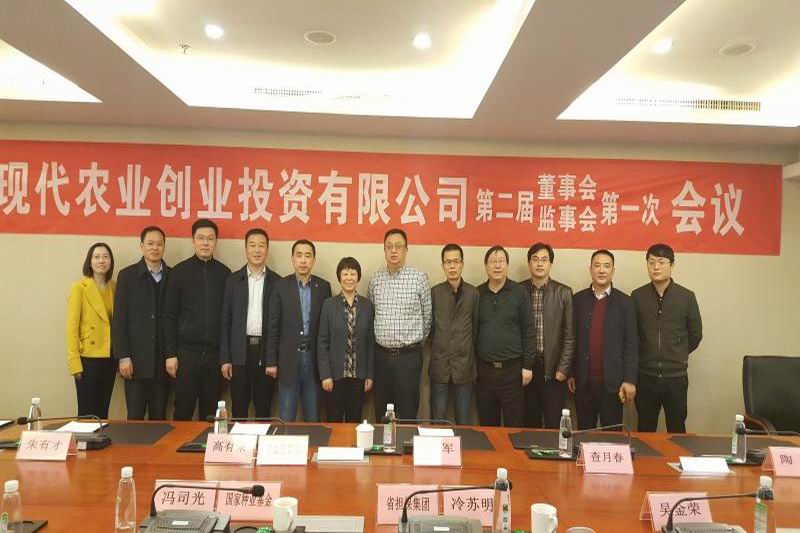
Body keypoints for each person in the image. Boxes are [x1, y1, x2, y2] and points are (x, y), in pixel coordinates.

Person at [163, 219, 230, 421]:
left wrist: (226, 356)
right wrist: (170, 354)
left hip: (214, 355)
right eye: (201, 238)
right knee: (183, 410)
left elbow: (228, 318)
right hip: (186, 354)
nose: (205, 243)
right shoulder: (179, 272)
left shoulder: (225, 274)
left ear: (216, 242)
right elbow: (169, 315)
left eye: (210, 239)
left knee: (211, 414)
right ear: (193, 241)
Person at [632, 243, 703, 433]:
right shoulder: (637, 296)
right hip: (645, 376)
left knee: (677, 428)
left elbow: (696, 334)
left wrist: (677, 351)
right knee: (645, 429)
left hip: (676, 377)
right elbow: (633, 335)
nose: (656, 267)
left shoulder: (686, 297)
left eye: (661, 262)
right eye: (651, 262)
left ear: (672, 265)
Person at [368, 228, 432, 421]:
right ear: (384, 250)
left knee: (408, 411)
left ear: (406, 250)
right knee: (382, 412)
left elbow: (427, 318)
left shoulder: (419, 278)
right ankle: (383, 442)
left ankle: (407, 442)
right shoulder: (375, 280)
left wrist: (413, 344)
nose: (393, 250)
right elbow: (372, 315)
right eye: (389, 247)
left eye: (398, 246)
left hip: (408, 357)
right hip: (381, 357)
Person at [570, 250, 638, 430]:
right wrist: (570, 373)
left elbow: (632, 344)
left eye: (606, 266)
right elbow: (571, 338)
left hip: (613, 385)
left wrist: (630, 379)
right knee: (584, 433)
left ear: (613, 271)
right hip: (583, 382)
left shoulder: (625, 302)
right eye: (597, 265)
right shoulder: (577, 300)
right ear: (590, 269)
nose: (601, 270)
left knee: (612, 435)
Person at [266, 240, 331, 422]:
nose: (303, 260)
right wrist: (271, 361)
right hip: (288, 361)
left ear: (314, 260)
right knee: (286, 418)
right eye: (299, 255)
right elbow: (273, 326)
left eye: (308, 256)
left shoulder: (323, 287)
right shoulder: (280, 286)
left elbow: (327, 329)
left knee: (313, 417)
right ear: (292, 259)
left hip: (314, 361)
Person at [220, 228, 280, 419]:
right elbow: (225, 322)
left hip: (265, 352)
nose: (257, 250)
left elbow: (278, 325)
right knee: (239, 408)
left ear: (267, 249)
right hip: (239, 352)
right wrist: (225, 359)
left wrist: (274, 359)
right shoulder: (233, 280)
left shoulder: (277, 282)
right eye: (252, 245)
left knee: (263, 408)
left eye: (261, 245)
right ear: (245, 249)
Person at [112, 226, 171, 420]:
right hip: (135, 362)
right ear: (141, 246)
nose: (155, 248)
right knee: (135, 417)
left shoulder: (172, 276)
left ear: (164, 247)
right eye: (150, 243)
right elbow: (120, 319)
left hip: (162, 363)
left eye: (159, 244)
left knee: (159, 417)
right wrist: (123, 356)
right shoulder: (127, 276)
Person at [475, 246, 534, 427]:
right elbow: (473, 331)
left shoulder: (519, 292)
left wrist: (528, 366)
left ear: (507, 265)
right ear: (486, 266)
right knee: (487, 425)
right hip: (484, 371)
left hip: (512, 371)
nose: (497, 265)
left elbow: (528, 330)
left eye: (501, 261)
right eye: (493, 261)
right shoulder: (477, 293)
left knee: (514, 426)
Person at [522, 242, 575, 429]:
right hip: (527, 368)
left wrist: (563, 368)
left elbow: (570, 335)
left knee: (554, 424)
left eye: (544, 259)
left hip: (553, 369)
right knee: (529, 423)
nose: (539, 263)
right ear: (529, 263)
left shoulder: (564, 293)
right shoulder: (519, 291)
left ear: (550, 264)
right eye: (535, 259)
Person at [317, 257, 375, 422]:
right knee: (334, 419)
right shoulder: (329, 305)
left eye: (353, 274)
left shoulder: (367, 305)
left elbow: (370, 343)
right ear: (339, 277)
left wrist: (369, 375)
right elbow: (322, 342)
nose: (349, 278)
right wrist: (325, 374)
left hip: (358, 376)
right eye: (345, 274)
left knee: (354, 420)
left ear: (358, 277)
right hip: (335, 376)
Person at [428, 243, 478, 425]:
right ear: (443, 266)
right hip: (440, 365)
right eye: (448, 262)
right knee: (438, 419)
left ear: (462, 264)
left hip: (464, 367)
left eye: (456, 261)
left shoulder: (473, 293)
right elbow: (431, 328)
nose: (452, 266)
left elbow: (475, 328)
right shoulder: (435, 292)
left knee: (463, 421)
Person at [66, 242, 116, 418]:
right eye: (97, 257)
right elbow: (71, 328)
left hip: (109, 357)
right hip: (87, 358)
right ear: (89, 262)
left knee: (103, 412)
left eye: (105, 257)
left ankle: (102, 437)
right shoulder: (79, 287)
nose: (101, 261)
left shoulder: (114, 287)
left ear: (111, 261)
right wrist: (74, 363)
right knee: (87, 414)